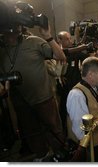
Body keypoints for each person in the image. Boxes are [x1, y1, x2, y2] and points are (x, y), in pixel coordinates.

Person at [0, 24, 67, 161]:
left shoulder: (34, 41)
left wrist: (47, 36)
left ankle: (61, 156)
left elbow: (60, 56)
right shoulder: (1, 48)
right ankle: (41, 157)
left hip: (44, 98)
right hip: (19, 102)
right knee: (31, 133)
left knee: (54, 129)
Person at [66, 57, 98, 162]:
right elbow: (81, 132)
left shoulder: (92, 88)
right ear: (90, 74)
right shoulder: (76, 95)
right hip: (88, 150)